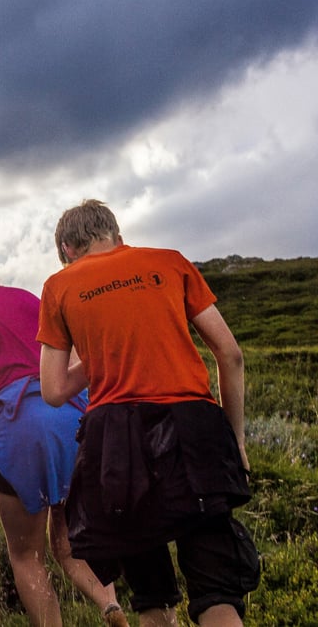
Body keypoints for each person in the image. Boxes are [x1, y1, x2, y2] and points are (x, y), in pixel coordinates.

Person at [37, 199, 260, 627]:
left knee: (150, 597)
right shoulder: (170, 263)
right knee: (216, 591)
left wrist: (102, 355)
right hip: (194, 431)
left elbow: (53, 389)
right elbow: (230, 355)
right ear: (118, 237)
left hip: (118, 447)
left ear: (67, 248)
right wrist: (236, 442)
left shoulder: (59, 286)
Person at [0, 232, 127, 627]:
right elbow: (72, 354)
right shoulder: (26, 298)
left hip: (23, 429)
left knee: (26, 555)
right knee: (69, 542)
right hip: (74, 418)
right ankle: (111, 607)